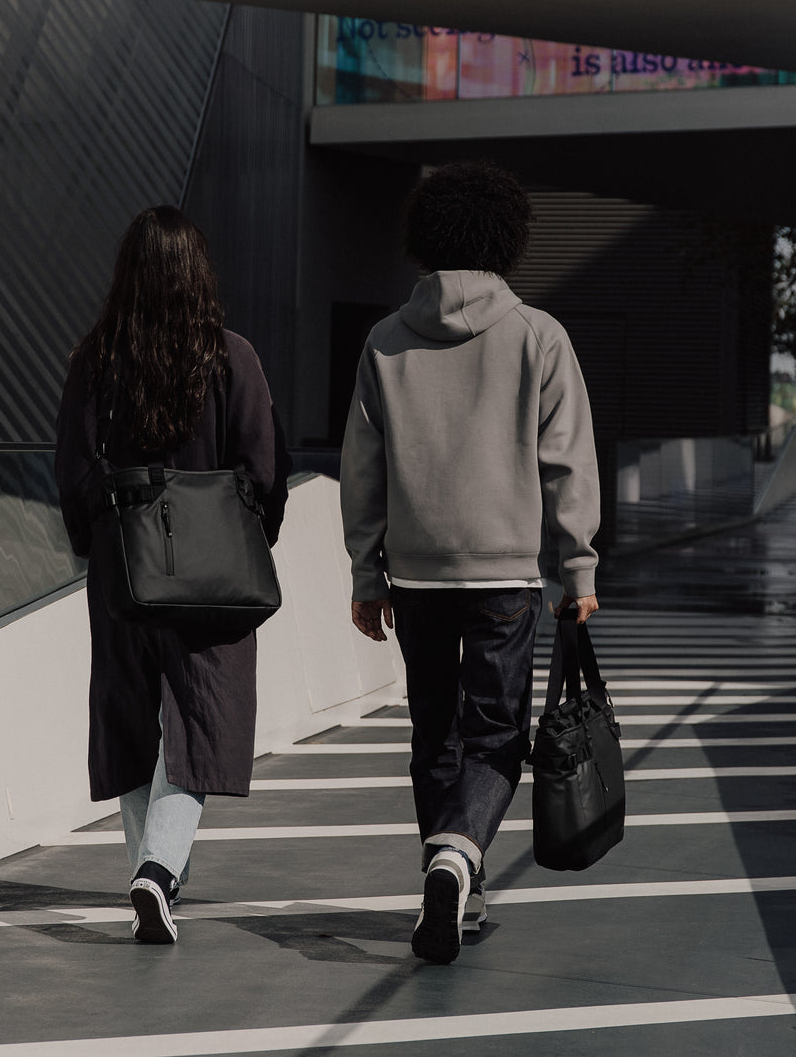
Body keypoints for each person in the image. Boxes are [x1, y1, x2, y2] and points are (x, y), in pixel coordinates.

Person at [339, 161, 600, 965]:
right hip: (506, 579)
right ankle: (457, 858)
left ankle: (458, 879)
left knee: (434, 737)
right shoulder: (538, 337)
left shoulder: (385, 341)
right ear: (506, 239)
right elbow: (568, 462)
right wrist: (579, 569)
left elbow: (363, 470)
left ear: (425, 240)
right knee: (493, 738)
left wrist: (365, 573)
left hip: (416, 576)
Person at [55, 205, 290, 944]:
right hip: (210, 578)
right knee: (200, 726)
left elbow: (73, 470)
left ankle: (149, 874)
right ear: (199, 276)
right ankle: (157, 872)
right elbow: (263, 469)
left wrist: (103, 535)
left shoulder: (95, 360)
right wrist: (243, 533)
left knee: (130, 726)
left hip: (124, 574)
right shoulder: (232, 357)